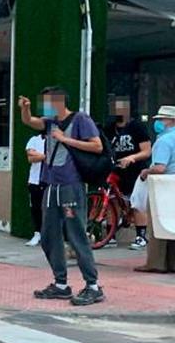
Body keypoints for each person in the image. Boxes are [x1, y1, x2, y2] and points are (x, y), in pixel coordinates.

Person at [17, 86, 104, 306]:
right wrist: (24, 110)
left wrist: (65, 139)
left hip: (71, 185)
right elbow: (30, 122)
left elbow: (97, 146)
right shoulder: (50, 122)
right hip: (51, 186)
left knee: (76, 234)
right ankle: (61, 284)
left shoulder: (81, 119)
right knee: (49, 235)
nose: (45, 106)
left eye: (48, 101)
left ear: (59, 101)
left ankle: (93, 286)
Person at [130, 105, 175, 271]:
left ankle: (156, 263)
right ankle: (172, 262)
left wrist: (145, 171)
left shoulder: (164, 141)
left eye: (161, 119)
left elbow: (160, 167)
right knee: (173, 225)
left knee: (158, 225)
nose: (158, 122)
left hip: (163, 187)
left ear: (171, 120)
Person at [103, 96, 152, 249]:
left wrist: (132, 157)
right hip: (116, 169)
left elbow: (146, 151)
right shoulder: (109, 128)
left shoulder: (137, 127)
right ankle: (110, 235)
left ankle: (141, 236)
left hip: (135, 170)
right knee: (111, 197)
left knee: (137, 202)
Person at [25, 131, 46, 246]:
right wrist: (45, 156)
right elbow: (30, 158)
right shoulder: (34, 140)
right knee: (36, 208)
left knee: (49, 209)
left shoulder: (54, 140)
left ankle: (49, 235)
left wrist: (39, 156)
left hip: (49, 180)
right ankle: (37, 234)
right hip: (35, 180)